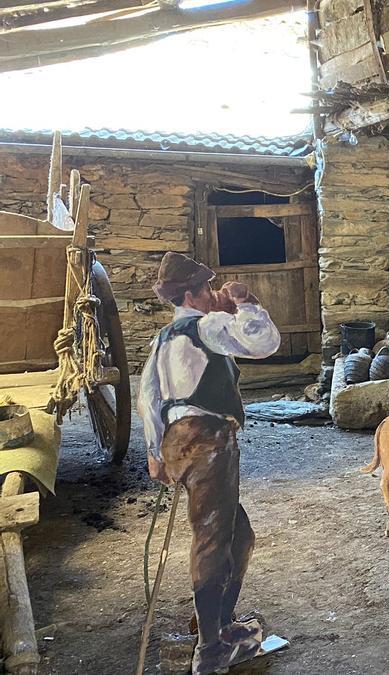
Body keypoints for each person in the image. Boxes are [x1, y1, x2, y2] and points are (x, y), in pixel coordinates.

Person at [137, 252, 281, 674]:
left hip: (177, 445)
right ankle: (210, 650)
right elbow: (264, 343)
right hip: (208, 441)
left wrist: (155, 453)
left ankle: (215, 623)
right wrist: (245, 302)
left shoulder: (162, 339)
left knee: (238, 535)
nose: (211, 293)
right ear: (191, 294)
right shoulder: (207, 325)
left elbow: (149, 399)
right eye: (205, 288)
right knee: (214, 539)